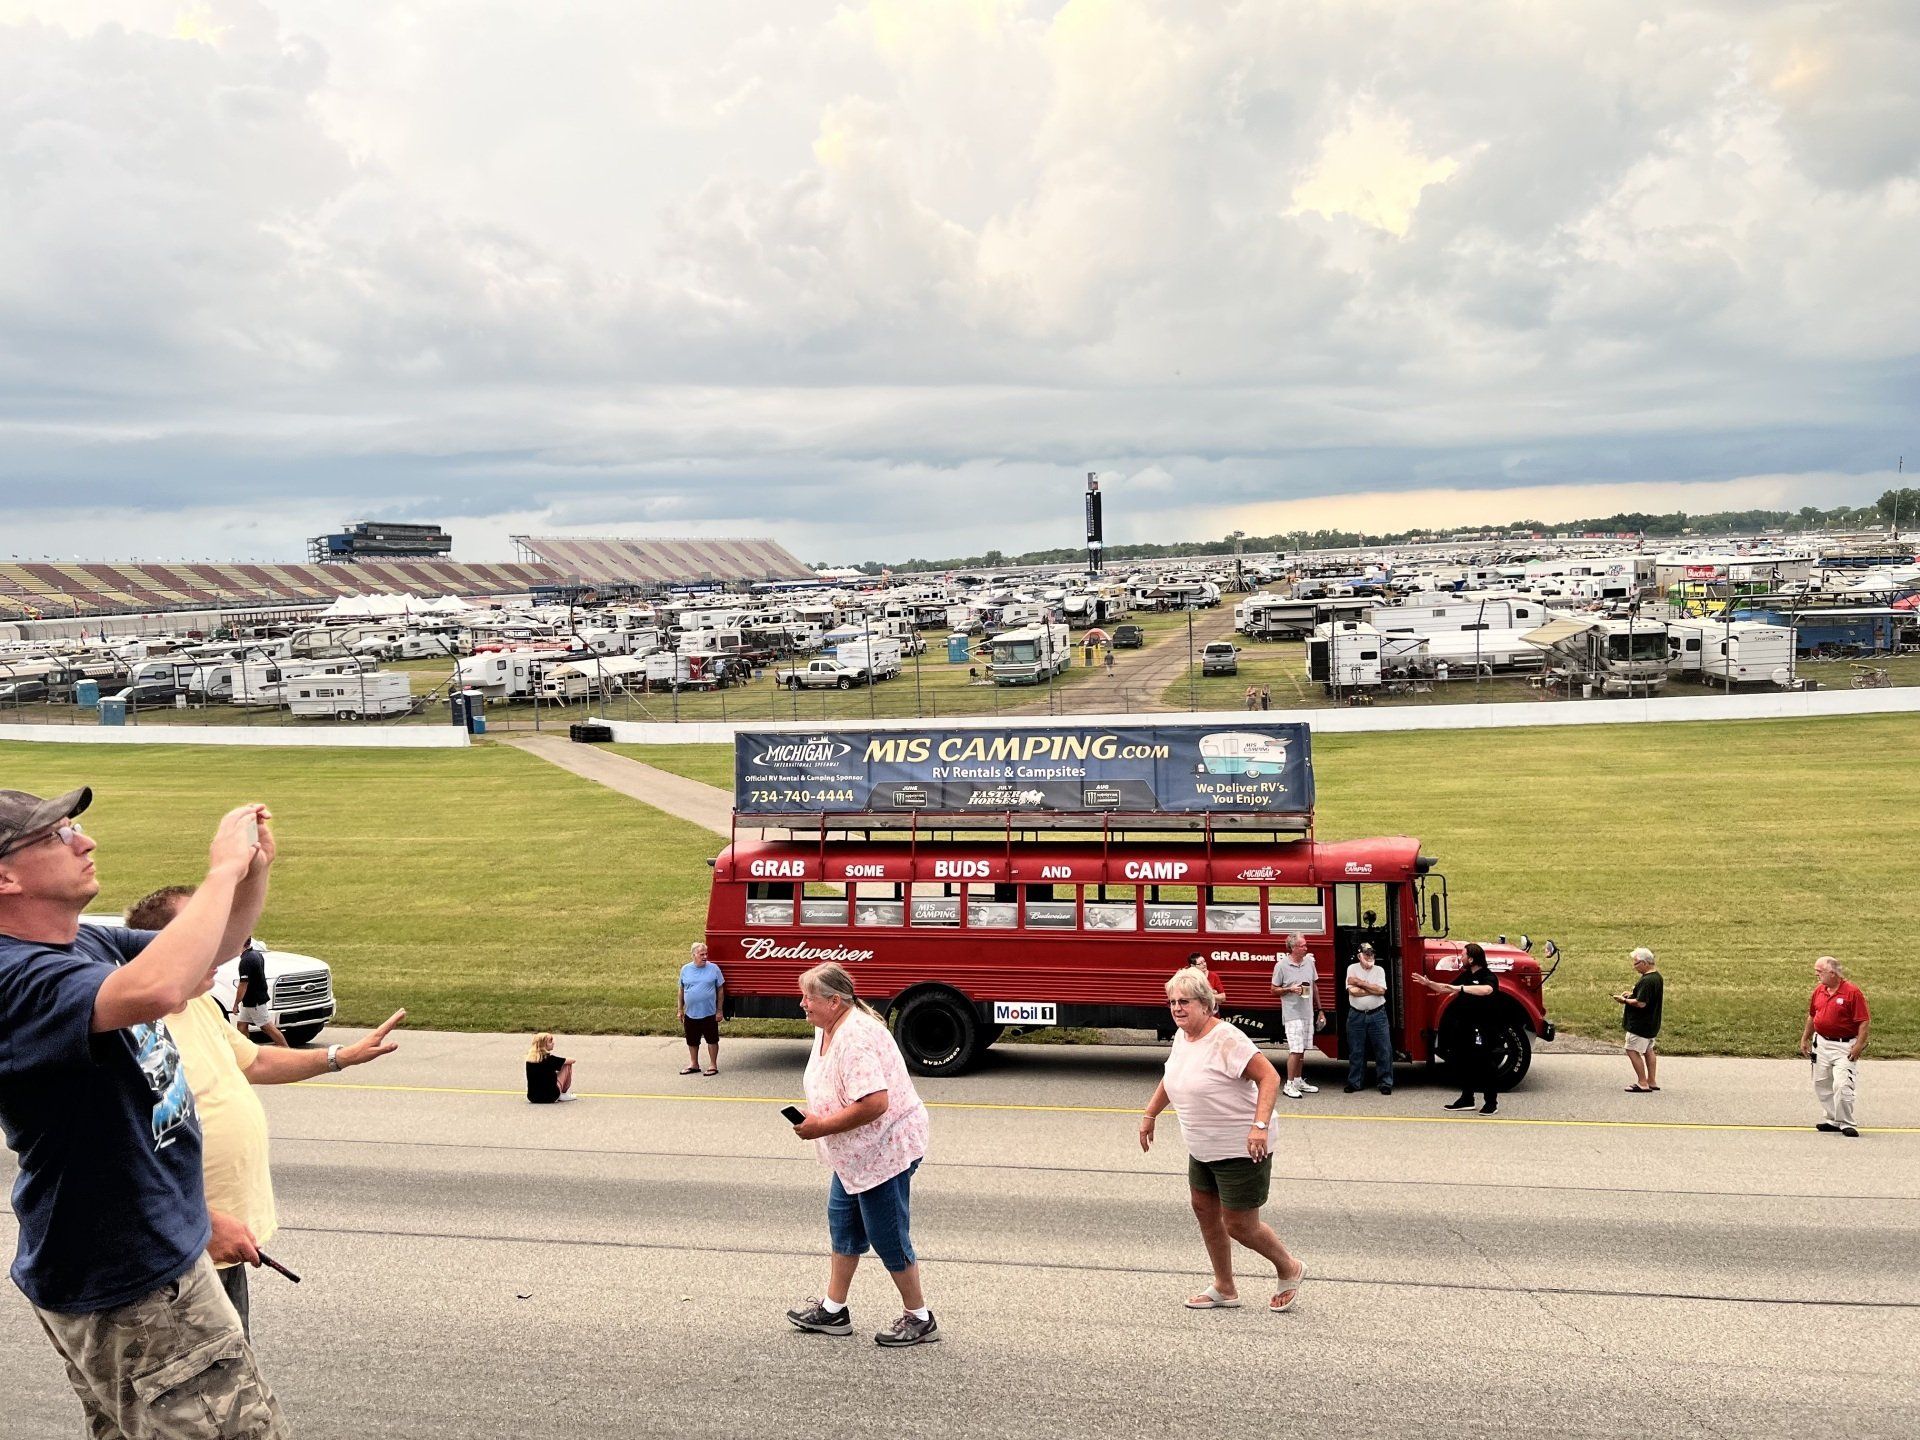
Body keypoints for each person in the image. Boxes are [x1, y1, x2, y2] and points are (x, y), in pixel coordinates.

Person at [0, 787, 291, 1436]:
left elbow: (205, 957)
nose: (86, 841)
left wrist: (251, 872)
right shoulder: (16, 979)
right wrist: (219, 869)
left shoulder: (81, 946)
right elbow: (158, 986)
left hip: (138, 1263)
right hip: (136, 1286)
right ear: (6, 875)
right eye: (56, 836)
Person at [124, 885, 407, 1337]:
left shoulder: (198, 1004)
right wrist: (200, 1225)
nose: (222, 951)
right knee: (188, 1400)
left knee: (225, 1386)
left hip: (221, 1244)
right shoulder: (127, 1028)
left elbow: (254, 1060)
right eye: (206, 936)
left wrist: (338, 1056)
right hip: (175, 1256)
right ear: (162, 946)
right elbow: (112, 1159)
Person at [784, 962, 937, 1347]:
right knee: (844, 1225)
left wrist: (820, 1126)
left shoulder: (855, 1038)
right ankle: (834, 1310)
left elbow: (875, 1103)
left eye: (809, 998)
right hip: (853, 1152)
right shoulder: (827, 1028)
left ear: (835, 1001)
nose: (802, 1004)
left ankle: (920, 1317)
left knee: (887, 1235)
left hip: (883, 1149)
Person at [1139, 968, 1306, 1313]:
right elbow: (1172, 1077)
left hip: (1240, 1147)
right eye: (1172, 1002)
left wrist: (1259, 1125)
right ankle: (1224, 1286)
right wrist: (1150, 1114)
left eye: (1184, 1001)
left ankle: (1289, 1267)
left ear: (1206, 1003)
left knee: (1240, 1225)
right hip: (1202, 1145)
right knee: (1204, 1210)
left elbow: (1270, 1077)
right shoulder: (1183, 1036)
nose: (1177, 1008)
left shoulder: (1226, 1038)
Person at [1413, 941, 1502, 1113]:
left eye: (1463, 955)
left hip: (1482, 1028)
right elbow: (1446, 988)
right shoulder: (1466, 975)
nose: (1461, 958)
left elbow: (1486, 991)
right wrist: (1428, 983)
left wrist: (1460, 988)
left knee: (1485, 1064)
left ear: (1472, 958)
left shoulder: (1488, 976)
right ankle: (1467, 1099)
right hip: (1464, 1027)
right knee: (1463, 1062)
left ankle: (1491, 1102)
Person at [1799, 956, 1869, 1137]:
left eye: (1819, 972)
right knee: (1821, 1083)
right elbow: (1812, 1016)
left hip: (1844, 1046)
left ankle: (1846, 1122)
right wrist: (1805, 1038)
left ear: (1832, 973)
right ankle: (1832, 1119)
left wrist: (1859, 1045)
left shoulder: (1852, 993)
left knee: (1842, 1084)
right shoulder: (1819, 991)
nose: (1816, 975)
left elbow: (1863, 1022)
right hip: (1821, 1043)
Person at [1269, 934, 1323, 1099]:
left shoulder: (1309, 963)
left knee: (1303, 1049)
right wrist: (1290, 989)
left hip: (1307, 1012)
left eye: (1306, 945)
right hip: (1292, 1013)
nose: (1306, 948)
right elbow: (1273, 990)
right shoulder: (1282, 966)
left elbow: (1314, 987)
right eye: (1302, 946)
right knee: (1295, 1049)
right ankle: (1289, 1084)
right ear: (1293, 948)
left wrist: (1320, 1010)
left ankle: (1299, 1080)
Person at [1343, 942, 1393, 1094]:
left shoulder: (1379, 970)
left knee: (1384, 1050)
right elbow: (1353, 992)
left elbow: (1381, 990)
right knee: (1356, 1051)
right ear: (1359, 956)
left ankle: (1385, 1083)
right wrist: (1372, 989)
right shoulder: (1351, 968)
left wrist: (1359, 982)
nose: (1370, 957)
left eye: (1371, 954)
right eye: (1366, 954)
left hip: (1378, 1014)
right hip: (1356, 1015)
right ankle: (1355, 1083)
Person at [1615, 947, 1663, 1093]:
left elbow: (1641, 1003)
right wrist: (1632, 994)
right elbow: (1646, 996)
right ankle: (1652, 1081)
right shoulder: (1657, 977)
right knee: (1648, 1050)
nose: (1634, 966)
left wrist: (1624, 1000)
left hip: (1640, 1025)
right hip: (1651, 1023)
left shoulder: (1647, 981)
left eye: (1636, 963)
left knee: (1631, 1049)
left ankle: (1642, 1082)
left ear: (1644, 963)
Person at [678, 941, 725, 1076]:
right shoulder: (685, 969)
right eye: (701, 954)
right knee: (692, 1040)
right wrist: (680, 1010)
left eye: (706, 954)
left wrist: (719, 1010)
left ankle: (713, 1065)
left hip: (709, 1012)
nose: (705, 957)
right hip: (691, 1013)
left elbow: (720, 989)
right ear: (694, 955)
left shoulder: (714, 969)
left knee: (712, 1039)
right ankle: (694, 1064)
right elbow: (681, 990)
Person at [232, 940, 288, 1046]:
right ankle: (246, 1050)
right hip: (251, 1000)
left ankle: (287, 1050)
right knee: (242, 1026)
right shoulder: (256, 954)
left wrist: (236, 1003)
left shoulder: (246, 961)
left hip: (254, 1001)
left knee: (267, 1027)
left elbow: (243, 984)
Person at [525, 1032, 576, 1103]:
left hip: (533, 1097)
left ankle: (560, 1094)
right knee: (567, 1064)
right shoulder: (550, 1059)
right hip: (551, 1096)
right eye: (550, 1041)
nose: (553, 1043)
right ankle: (563, 1094)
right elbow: (572, 1060)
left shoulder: (529, 1060)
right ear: (543, 1045)